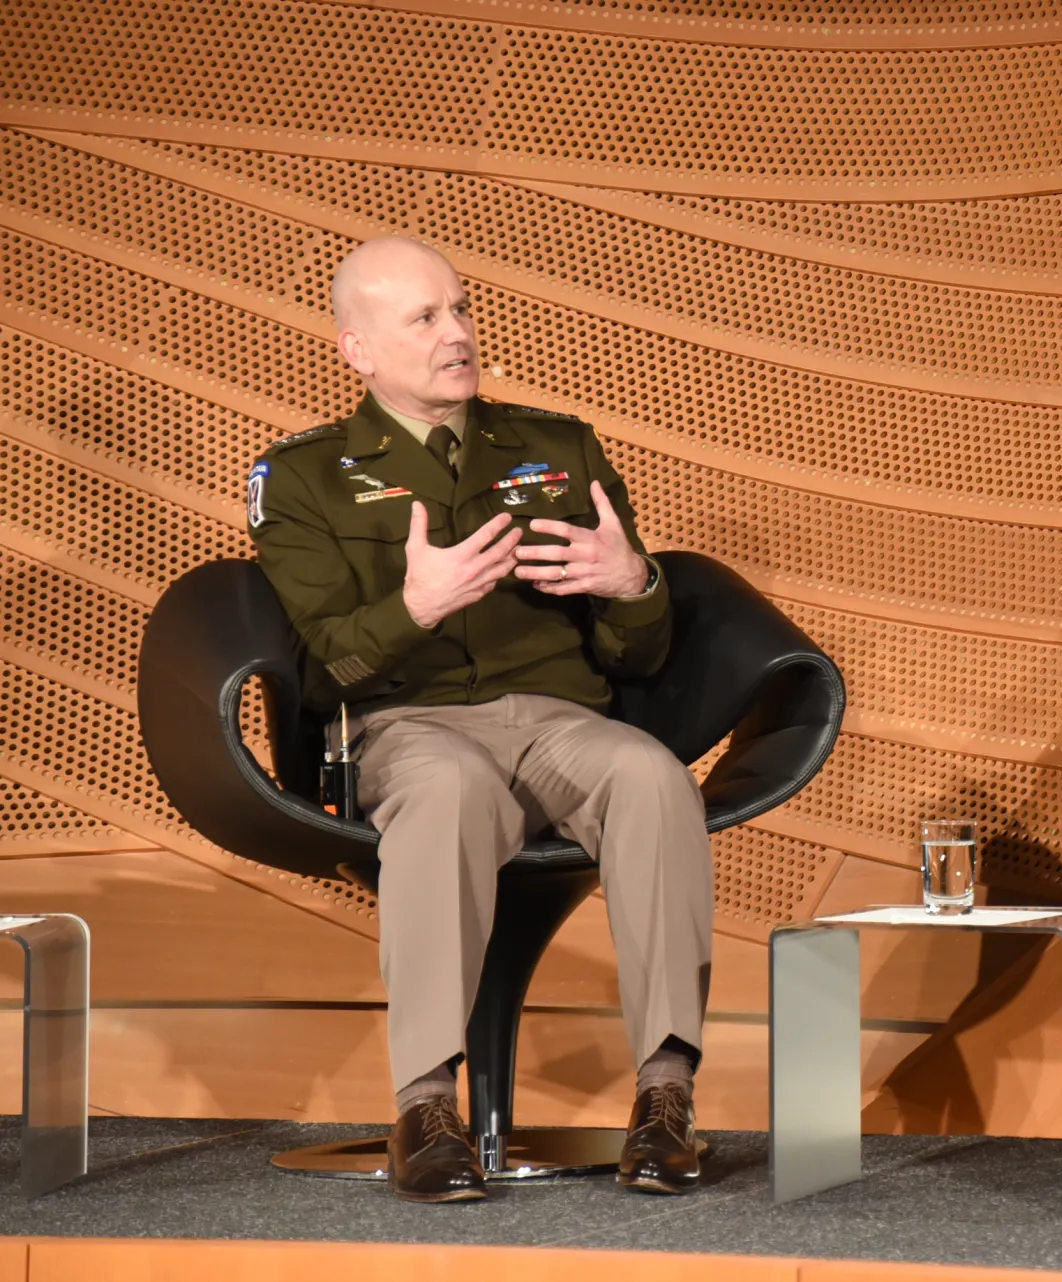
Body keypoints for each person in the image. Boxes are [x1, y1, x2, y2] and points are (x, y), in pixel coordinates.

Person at [247, 237, 714, 1204]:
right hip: (404, 727)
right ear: (357, 350)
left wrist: (633, 584)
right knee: (451, 789)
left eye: (461, 308)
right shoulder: (303, 479)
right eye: (424, 319)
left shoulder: (558, 447)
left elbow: (642, 656)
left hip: (556, 720)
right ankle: (426, 1109)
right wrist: (412, 608)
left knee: (652, 777)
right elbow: (319, 669)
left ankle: (666, 1101)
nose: (458, 333)